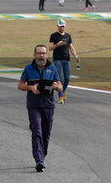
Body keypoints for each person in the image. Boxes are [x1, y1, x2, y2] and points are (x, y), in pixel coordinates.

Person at [18, 44, 62, 172]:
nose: (41, 56)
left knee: (46, 133)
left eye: (43, 53)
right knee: (37, 131)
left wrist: (56, 86)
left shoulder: (52, 68)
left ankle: (42, 155)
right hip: (33, 105)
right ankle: (39, 160)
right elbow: (20, 85)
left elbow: (60, 86)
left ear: (46, 55)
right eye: (39, 53)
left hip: (48, 105)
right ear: (34, 55)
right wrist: (31, 88)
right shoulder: (28, 68)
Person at [49, 19, 79, 104]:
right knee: (61, 78)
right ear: (57, 26)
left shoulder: (68, 36)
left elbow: (71, 47)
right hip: (57, 59)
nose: (62, 28)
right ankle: (61, 97)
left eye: (63, 26)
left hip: (66, 59)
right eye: (60, 26)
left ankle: (62, 91)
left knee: (68, 78)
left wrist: (75, 56)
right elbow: (50, 48)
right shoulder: (53, 36)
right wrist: (58, 44)